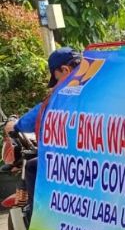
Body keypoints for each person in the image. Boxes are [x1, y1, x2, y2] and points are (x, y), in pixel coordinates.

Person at [4, 47, 81, 215]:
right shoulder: (98, 85)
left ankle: (39, 221)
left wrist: (13, 125)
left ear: (65, 70)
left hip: (75, 162)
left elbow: (26, 123)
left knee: (32, 166)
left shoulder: (62, 97)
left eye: (56, 79)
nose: (56, 86)